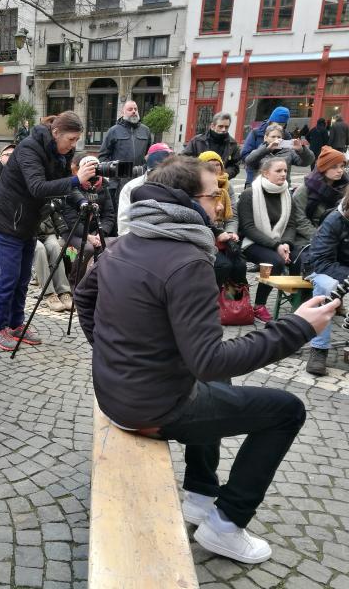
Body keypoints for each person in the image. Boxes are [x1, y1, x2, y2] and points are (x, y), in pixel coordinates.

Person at [76, 154, 339, 566]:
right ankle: (227, 525)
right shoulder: (188, 262)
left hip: (116, 393)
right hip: (151, 407)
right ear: (185, 202)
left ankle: (200, 496)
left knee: (223, 387)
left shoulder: (127, 241)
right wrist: (298, 327)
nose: (221, 203)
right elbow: (210, 361)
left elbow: (83, 297)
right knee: (287, 410)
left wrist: (114, 355)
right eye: (214, 194)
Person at [0, 111, 97, 351]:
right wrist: (77, 181)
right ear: (56, 133)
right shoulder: (29, 148)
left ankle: (16, 324)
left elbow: (64, 184)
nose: (73, 145)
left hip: (28, 221)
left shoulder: (62, 152)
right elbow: (38, 187)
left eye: (77, 140)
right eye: (71, 139)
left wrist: (81, 201)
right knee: (9, 277)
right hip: (6, 219)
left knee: (23, 278)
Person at [239, 157, 298, 322]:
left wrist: (286, 243)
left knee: (300, 257)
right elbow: (248, 228)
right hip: (252, 242)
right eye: (278, 171)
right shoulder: (249, 193)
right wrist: (276, 245)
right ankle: (259, 305)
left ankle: (299, 299)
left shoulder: (287, 193)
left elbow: (291, 225)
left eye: (285, 170)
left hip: (279, 240)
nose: (283, 174)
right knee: (275, 262)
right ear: (265, 173)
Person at [302, 190, 349, 376]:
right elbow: (321, 261)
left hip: (343, 269)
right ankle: (319, 349)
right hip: (319, 267)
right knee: (326, 287)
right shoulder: (333, 220)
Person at [198, 151, 246, 290]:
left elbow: (233, 215)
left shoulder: (228, 186)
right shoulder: (198, 185)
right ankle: (213, 297)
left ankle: (236, 301)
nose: (214, 168)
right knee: (223, 265)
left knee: (239, 265)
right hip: (208, 232)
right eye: (209, 165)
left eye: (217, 165)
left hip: (224, 232)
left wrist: (231, 232)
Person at [62, 155, 115, 278]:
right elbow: (70, 219)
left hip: (95, 230)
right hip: (72, 231)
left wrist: (100, 234)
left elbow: (109, 215)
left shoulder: (103, 186)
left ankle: (96, 282)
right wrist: (88, 236)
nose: (93, 172)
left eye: (95, 168)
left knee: (108, 247)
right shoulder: (71, 186)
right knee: (88, 249)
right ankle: (75, 280)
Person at [292, 147, 349, 253]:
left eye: (342, 166)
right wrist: (320, 236)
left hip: (338, 235)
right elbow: (299, 220)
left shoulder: (345, 188)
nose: (340, 170)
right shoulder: (305, 189)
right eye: (334, 167)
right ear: (324, 167)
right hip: (309, 237)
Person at [98, 100, 151, 209]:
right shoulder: (113, 131)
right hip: (117, 184)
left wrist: (144, 169)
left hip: (139, 181)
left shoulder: (146, 131)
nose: (134, 111)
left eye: (135, 109)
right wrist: (120, 170)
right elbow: (103, 157)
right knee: (118, 215)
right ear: (123, 113)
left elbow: (149, 155)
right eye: (130, 109)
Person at [117, 143, 174, 235]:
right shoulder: (131, 187)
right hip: (136, 239)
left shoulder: (176, 187)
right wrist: (126, 242)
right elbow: (124, 221)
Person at [34, 198, 72, 312]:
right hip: (29, 233)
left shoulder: (44, 190)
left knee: (55, 247)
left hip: (47, 231)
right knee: (39, 249)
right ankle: (49, 293)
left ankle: (63, 291)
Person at [244, 123, 314, 186]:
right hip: (263, 188)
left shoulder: (289, 152)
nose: (276, 139)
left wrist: (301, 150)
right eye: (273, 137)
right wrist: (266, 149)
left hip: (282, 189)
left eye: (279, 137)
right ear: (265, 138)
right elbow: (249, 162)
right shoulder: (259, 151)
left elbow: (307, 162)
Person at [240, 106, 291, 185]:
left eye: (283, 124)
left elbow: (291, 156)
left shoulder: (287, 136)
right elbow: (245, 155)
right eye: (278, 123)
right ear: (271, 121)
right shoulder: (256, 133)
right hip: (255, 178)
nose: (280, 126)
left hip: (279, 181)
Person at [182, 112, 241, 179]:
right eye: (220, 126)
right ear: (212, 126)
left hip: (221, 181)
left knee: (230, 189)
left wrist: (225, 174)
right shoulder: (197, 141)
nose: (224, 129)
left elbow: (235, 165)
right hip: (198, 180)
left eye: (226, 127)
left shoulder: (232, 144)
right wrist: (197, 171)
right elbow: (184, 158)